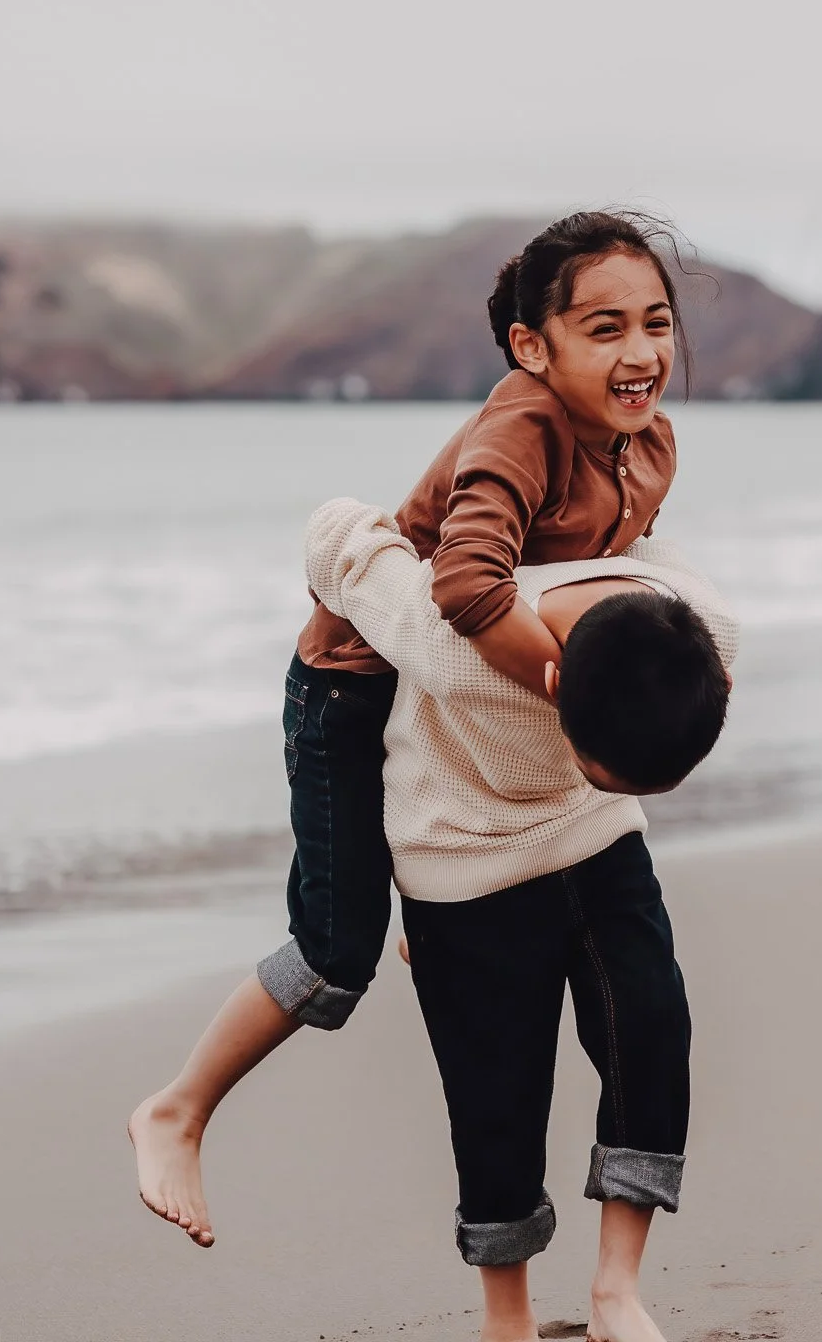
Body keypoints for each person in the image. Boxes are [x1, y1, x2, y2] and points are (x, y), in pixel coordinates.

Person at [129, 210, 702, 1246]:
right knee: (338, 951)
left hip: (453, 705)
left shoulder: (649, 444)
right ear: (535, 345)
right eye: (606, 327)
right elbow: (470, 584)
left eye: (655, 322)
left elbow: (589, 581)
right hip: (354, 682)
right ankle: (177, 1105)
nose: (641, 353)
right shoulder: (520, 430)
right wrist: (578, 690)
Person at [301, 492, 737, 1342]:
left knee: (651, 1031)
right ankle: (508, 1320)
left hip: (595, 841)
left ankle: (616, 1293)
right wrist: (390, 523)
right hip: (464, 862)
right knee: (494, 1096)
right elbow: (335, 538)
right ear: (550, 686)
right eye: (609, 767)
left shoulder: (708, 635)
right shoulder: (455, 649)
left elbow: (644, 526)